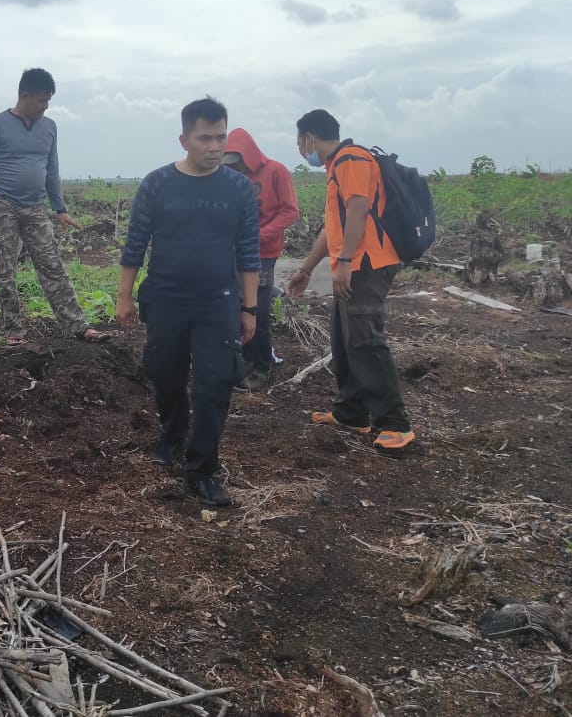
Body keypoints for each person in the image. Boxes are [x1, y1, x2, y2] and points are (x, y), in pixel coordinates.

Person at [116, 97, 261, 507]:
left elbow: (248, 253)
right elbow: (135, 244)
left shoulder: (239, 190)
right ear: (184, 139)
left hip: (219, 302)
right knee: (165, 374)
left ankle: (202, 469)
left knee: (216, 383)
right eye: (205, 138)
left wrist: (249, 309)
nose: (215, 147)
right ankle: (173, 433)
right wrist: (124, 297)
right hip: (165, 298)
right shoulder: (158, 184)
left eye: (220, 137)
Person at [284, 109, 415, 450]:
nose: (301, 150)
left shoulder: (351, 160)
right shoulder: (337, 166)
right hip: (353, 264)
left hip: (368, 264)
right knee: (345, 338)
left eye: (300, 143)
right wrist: (307, 269)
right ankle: (352, 413)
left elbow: (359, 210)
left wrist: (343, 261)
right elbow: (334, 227)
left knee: (365, 339)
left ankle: (396, 425)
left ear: (308, 138)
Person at [0, 68, 111, 345]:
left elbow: (52, 168)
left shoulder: (49, 127)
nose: (45, 106)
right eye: (41, 100)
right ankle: (14, 330)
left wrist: (60, 208)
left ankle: (78, 326)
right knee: (5, 269)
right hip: (3, 204)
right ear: (25, 95)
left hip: (35, 207)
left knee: (53, 266)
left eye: (48, 101)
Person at [222, 128, 299, 390]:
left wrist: (261, 235)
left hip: (263, 253)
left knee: (259, 310)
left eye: (239, 162)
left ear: (249, 155)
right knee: (235, 306)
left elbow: (290, 211)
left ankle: (263, 367)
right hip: (234, 251)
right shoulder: (230, 176)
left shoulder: (276, 171)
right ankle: (244, 360)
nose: (236, 168)